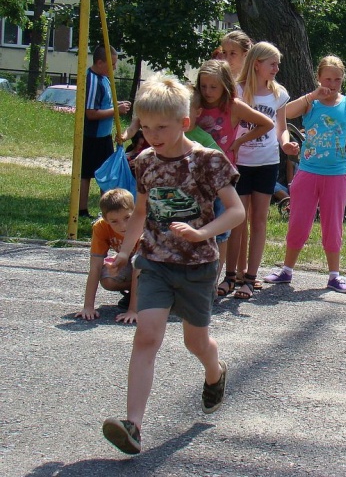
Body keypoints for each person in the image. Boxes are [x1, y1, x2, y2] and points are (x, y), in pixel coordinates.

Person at [101, 77, 245, 455]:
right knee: (147, 335)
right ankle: (133, 424)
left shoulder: (208, 161)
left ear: (184, 122)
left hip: (198, 266)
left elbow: (236, 211)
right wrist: (124, 251)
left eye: (161, 127)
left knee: (195, 342)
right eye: (145, 127)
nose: (151, 135)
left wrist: (203, 233)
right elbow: (142, 213)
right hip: (155, 262)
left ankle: (215, 372)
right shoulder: (144, 161)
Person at [265, 56, 346, 292]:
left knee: (333, 224)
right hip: (308, 171)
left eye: (337, 79)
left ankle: (334, 274)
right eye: (327, 79)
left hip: (337, 173)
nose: (331, 84)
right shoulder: (311, 103)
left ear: (343, 80)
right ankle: (287, 270)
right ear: (318, 78)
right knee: (298, 221)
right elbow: (287, 113)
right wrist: (312, 95)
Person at [222, 42, 291, 300]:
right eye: (272, 63)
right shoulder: (237, 91)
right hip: (240, 163)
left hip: (267, 161)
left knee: (259, 219)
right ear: (256, 64)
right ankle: (231, 276)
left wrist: (285, 143)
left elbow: (280, 127)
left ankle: (250, 278)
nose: (276, 68)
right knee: (237, 219)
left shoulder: (279, 94)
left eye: (277, 63)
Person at [195, 59, 274, 283]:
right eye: (203, 86)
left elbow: (266, 123)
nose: (208, 92)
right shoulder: (195, 103)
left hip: (222, 177)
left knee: (221, 229)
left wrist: (239, 142)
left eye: (213, 87)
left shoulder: (233, 105)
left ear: (225, 85)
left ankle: (215, 280)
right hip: (194, 174)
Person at [75, 188, 141, 324]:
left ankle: (158, 294)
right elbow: (95, 267)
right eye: (114, 221)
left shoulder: (142, 227)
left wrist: (133, 311)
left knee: (141, 268)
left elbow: (139, 270)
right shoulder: (101, 228)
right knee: (108, 277)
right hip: (131, 262)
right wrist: (88, 307)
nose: (123, 225)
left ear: (134, 212)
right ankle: (138, 294)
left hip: (159, 266)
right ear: (105, 219)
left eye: (127, 218)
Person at [80, 45, 131, 218]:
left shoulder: (104, 78)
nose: (115, 68)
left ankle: (107, 210)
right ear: (100, 62)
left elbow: (104, 105)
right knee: (87, 173)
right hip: (93, 136)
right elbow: (91, 113)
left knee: (108, 174)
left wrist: (116, 106)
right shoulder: (93, 80)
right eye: (112, 64)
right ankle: (82, 210)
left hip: (104, 135)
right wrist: (116, 111)